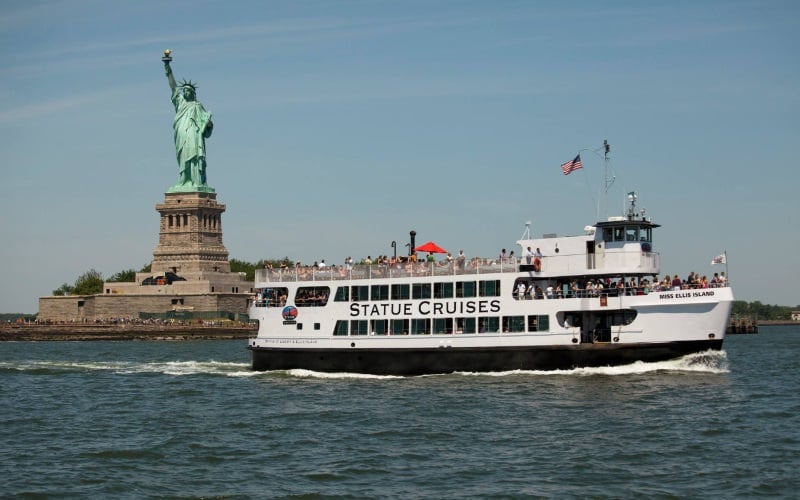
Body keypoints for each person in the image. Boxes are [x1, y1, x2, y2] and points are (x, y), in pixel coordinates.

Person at [164, 52, 213, 189]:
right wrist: (168, 68)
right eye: (183, 90)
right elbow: (173, 86)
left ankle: (195, 181)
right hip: (181, 134)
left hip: (193, 134)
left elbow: (207, 124)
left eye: (187, 90)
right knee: (183, 155)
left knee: (195, 157)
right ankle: (184, 180)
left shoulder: (198, 106)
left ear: (192, 93)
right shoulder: (180, 103)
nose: (184, 92)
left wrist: (208, 124)